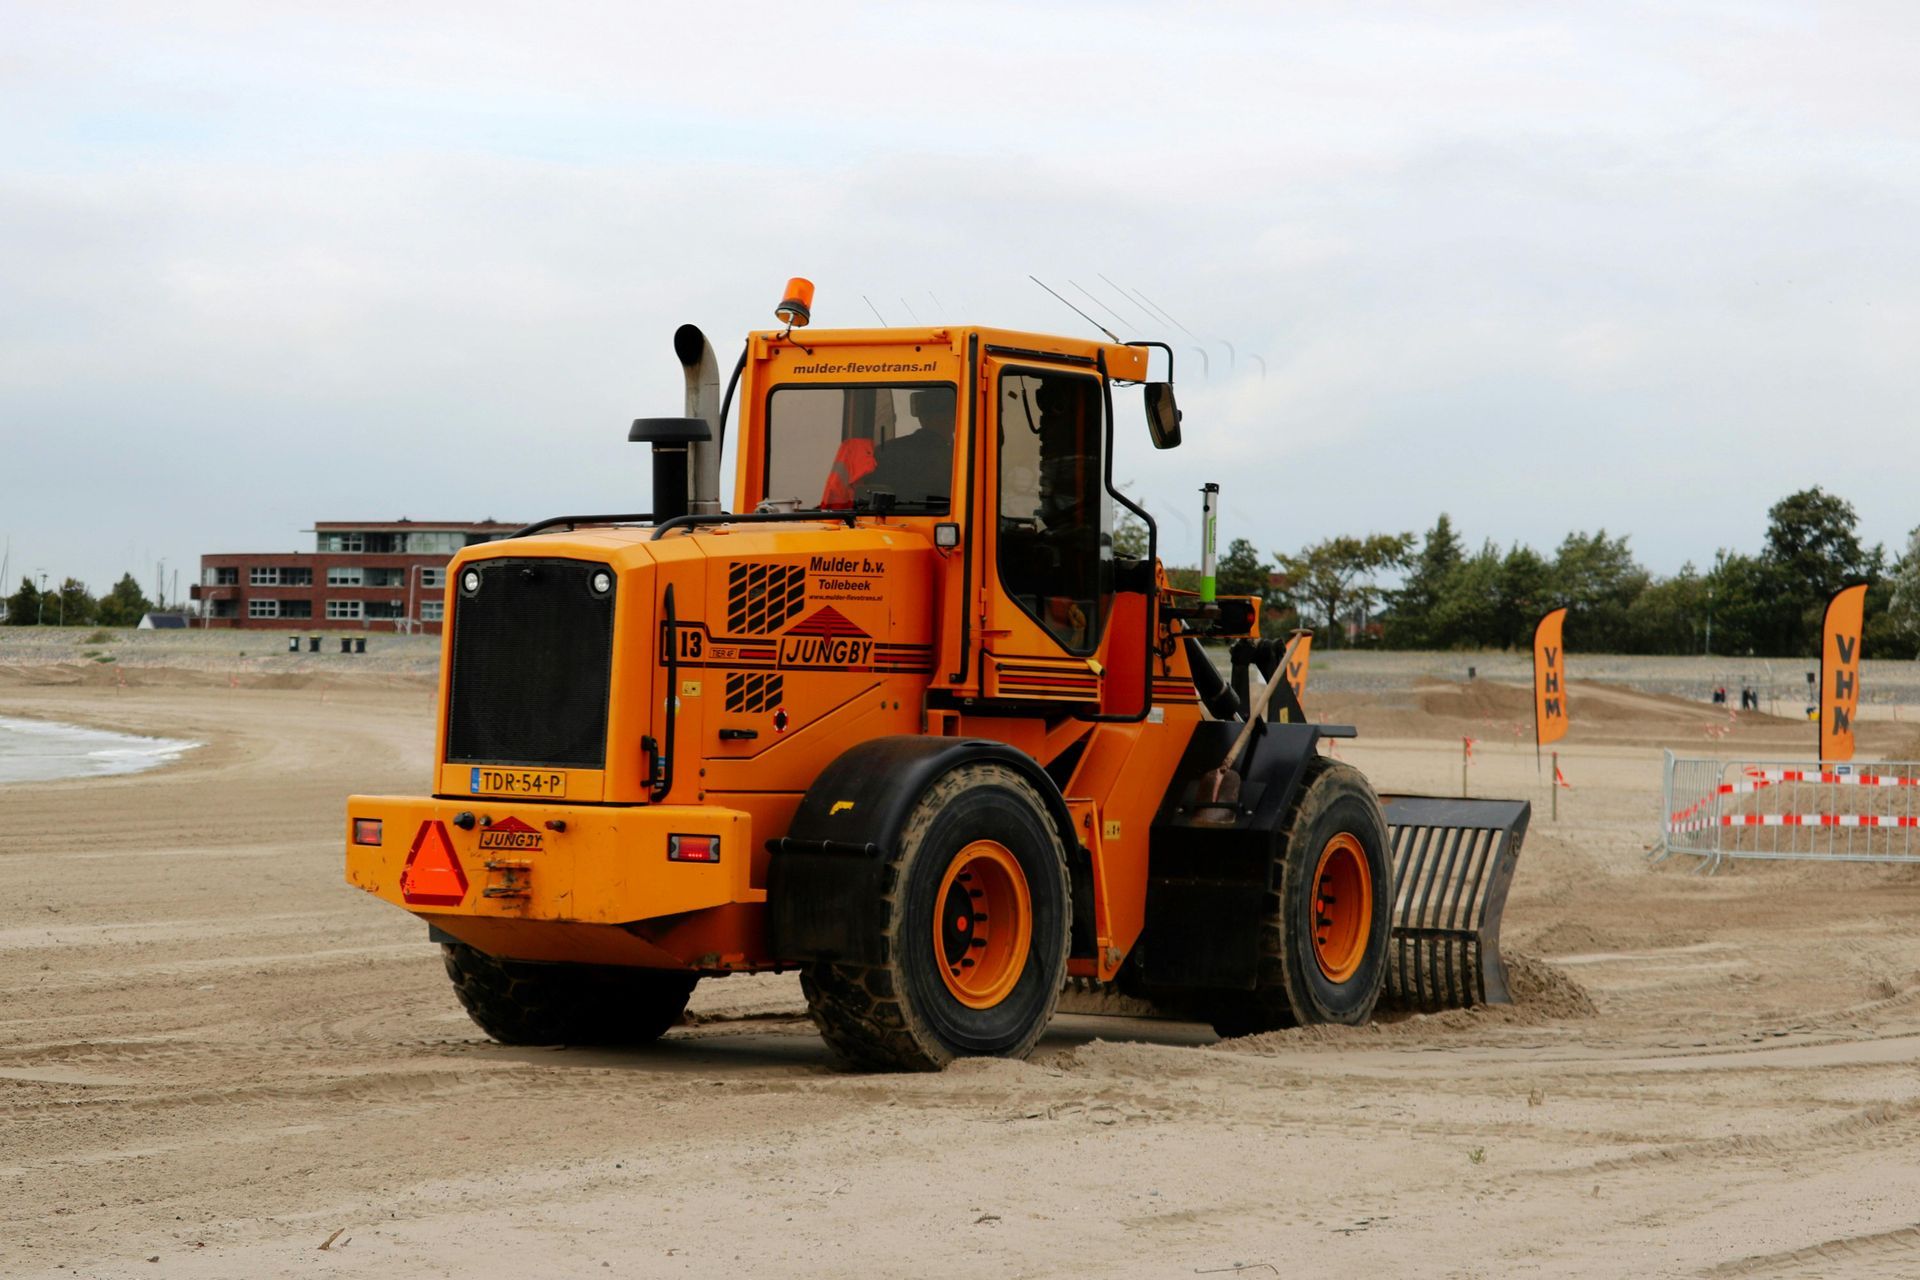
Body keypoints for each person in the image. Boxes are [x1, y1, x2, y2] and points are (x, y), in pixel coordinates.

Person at [853, 387, 955, 509]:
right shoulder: (953, 457)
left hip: (883, 522)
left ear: (921, 417)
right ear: (953, 418)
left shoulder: (885, 450)